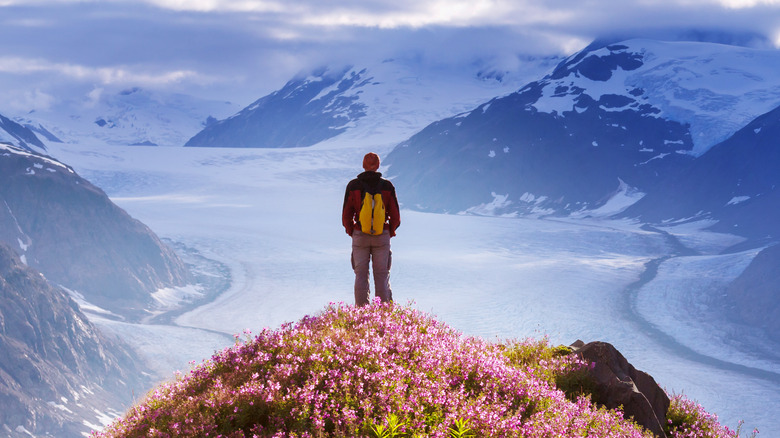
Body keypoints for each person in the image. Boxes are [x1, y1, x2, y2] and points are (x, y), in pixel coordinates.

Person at [342, 152, 401, 306]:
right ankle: (383, 314)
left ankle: (362, 313)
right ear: (378, 165)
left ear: (363, 165)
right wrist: (390, 231)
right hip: (382, 235)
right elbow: (395, 216)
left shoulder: (353, 185)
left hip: (360, 235)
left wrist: (353, 231)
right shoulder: (387, 186)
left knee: (360, 275)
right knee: (381, 275)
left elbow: (346, 215)